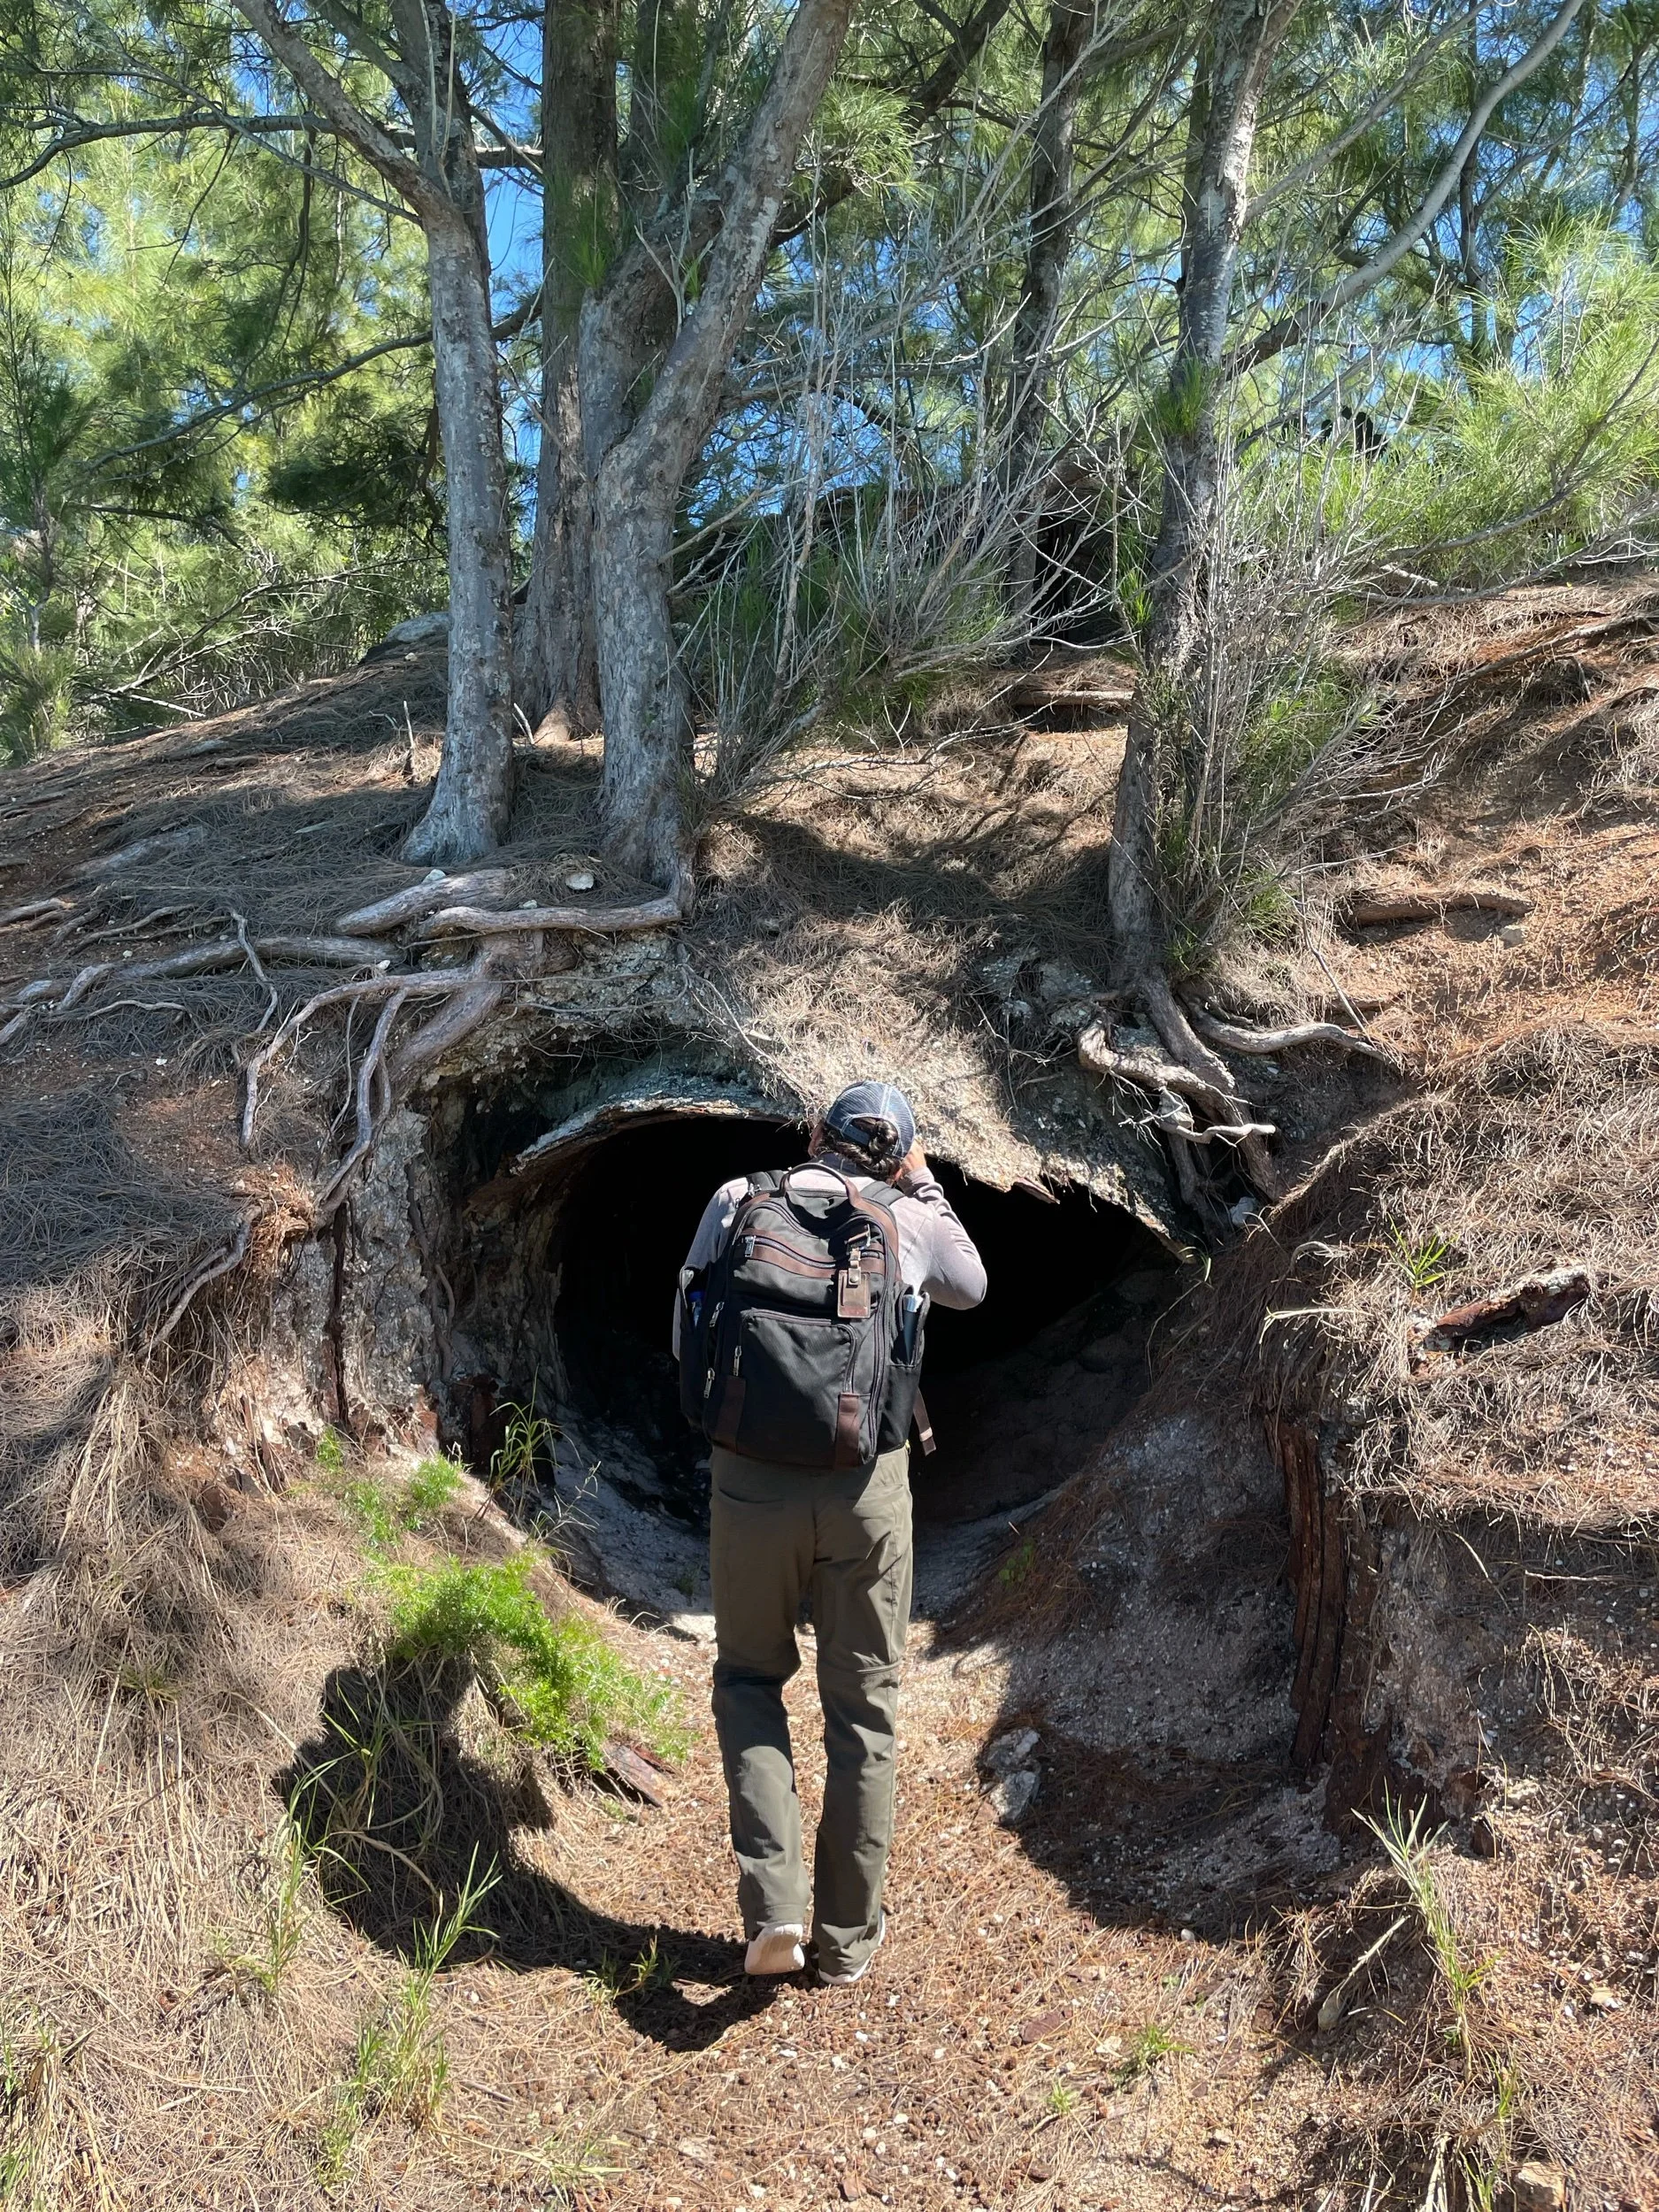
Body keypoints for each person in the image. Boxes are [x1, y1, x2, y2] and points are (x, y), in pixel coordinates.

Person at [674, 1082, 987, 1986]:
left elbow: (687, 1328)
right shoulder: (908, 1221)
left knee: (747, 1680)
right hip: (866, 1490)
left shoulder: (738, 1199)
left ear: (814, 1133)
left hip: (748, 1485)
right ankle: (846, 1941)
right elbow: (973, 1285)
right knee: (863, 1712)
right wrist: (923, 1186)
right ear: (896, 1155)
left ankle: (772, 1910)